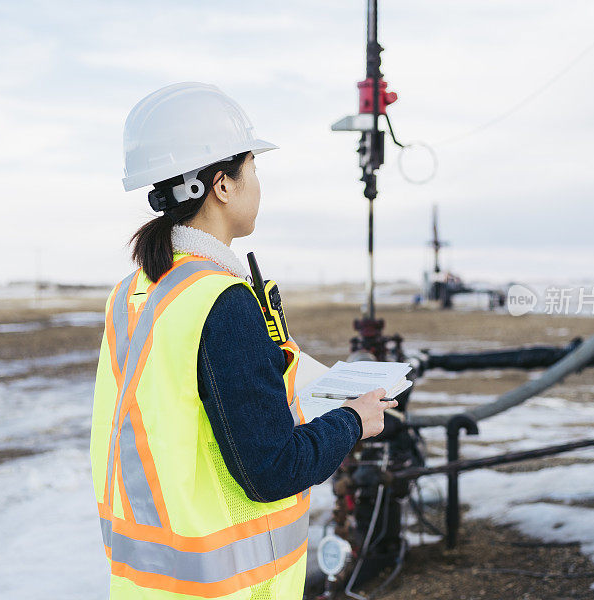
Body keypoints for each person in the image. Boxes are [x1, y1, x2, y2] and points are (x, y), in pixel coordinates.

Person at [89, 82, 397, 600]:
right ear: (222, 185)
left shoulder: (135, 291)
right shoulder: (221, 300)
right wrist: (353, 420)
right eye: (253, 167)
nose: (258, 183)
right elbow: (272, 470)